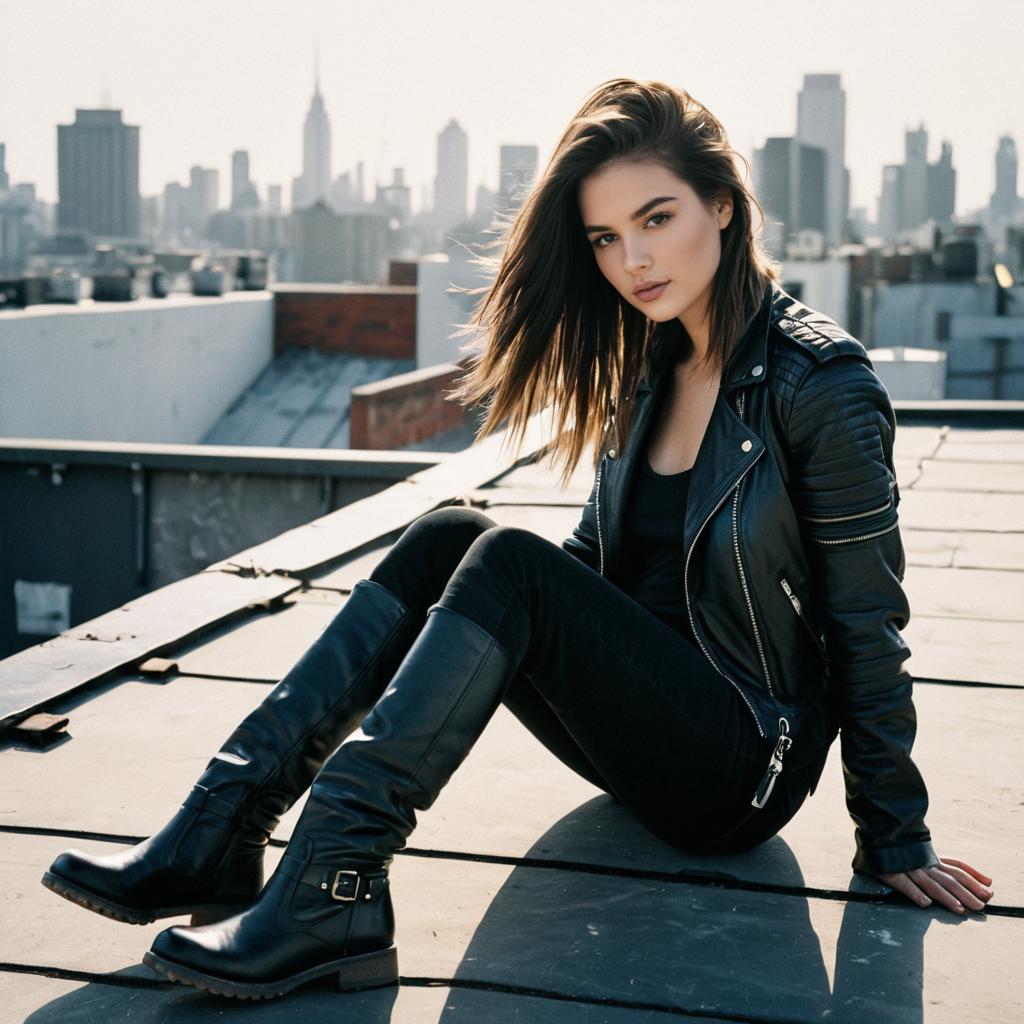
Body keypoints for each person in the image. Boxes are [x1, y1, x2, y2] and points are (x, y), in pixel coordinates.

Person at [41, 77, 993, 1000]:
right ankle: (222, 826)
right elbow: (589, 580)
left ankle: (336, 878)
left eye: (657, 218)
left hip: (742, 766)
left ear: (722, 205)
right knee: (449, 536)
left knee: (502, 560)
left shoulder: (820, 385)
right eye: (606, 238)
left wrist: (895, 833)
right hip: (638, 742)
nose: (633, 260)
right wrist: (509, 600)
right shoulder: (652, 361)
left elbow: (868, 620)